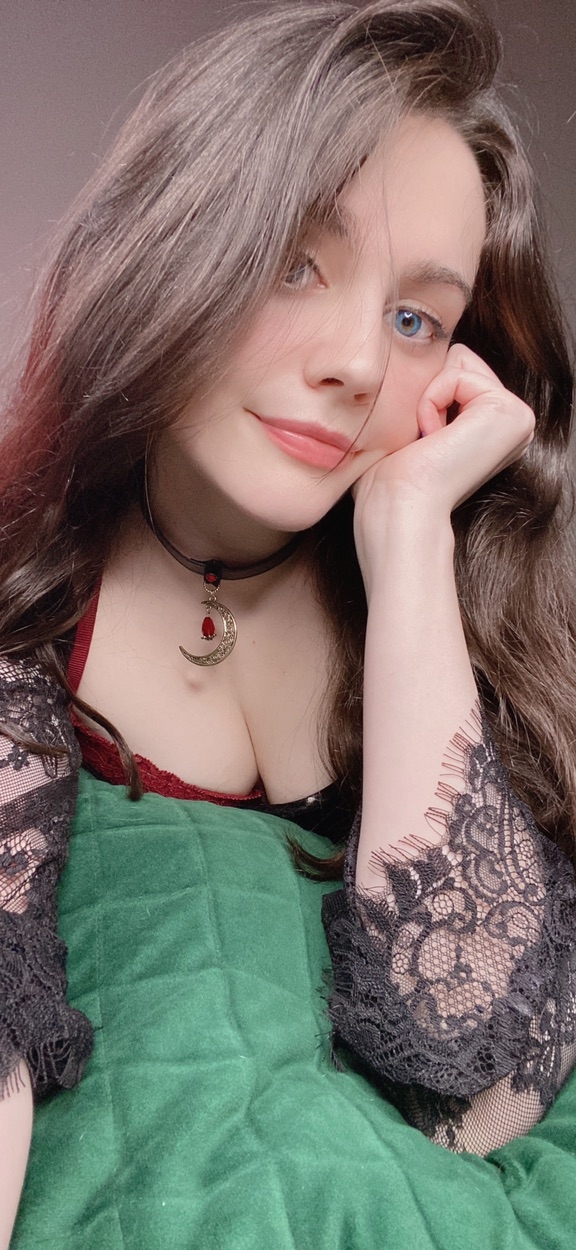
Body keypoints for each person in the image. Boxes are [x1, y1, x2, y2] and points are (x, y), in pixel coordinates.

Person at [1, 0, 576, 1245]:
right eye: (295, 263)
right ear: (174, 241)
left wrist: (411, 538)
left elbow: (476, 1096)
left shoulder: (460, 603)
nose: (359, 364)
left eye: (416, 319)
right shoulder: (20, 599)